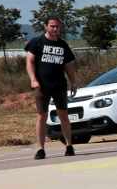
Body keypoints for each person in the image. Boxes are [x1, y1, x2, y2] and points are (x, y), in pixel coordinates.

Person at [25, 17, 79, 159]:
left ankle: (69, 146)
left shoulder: (63, 45)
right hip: (42, 85)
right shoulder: (36, 42)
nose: (55, 29)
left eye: (57, 27)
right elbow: (29, 61)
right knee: (42, 115)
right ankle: (41, 149)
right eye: (52, 26)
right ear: (46, 27)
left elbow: (69, 66)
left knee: (63, 115)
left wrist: (73, 82)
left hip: (59, 85)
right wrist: (33, 79)